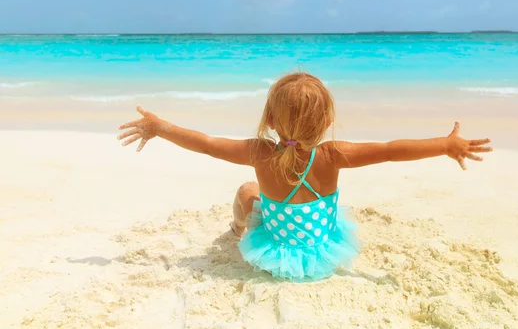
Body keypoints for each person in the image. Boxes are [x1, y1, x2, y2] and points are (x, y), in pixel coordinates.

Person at [117, 72, 492, 282]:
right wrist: (444, 145)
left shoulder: (259, 152)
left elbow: (207, 144)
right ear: (328, 121)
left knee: (248, 190)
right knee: (304, 205)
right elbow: (392, 150)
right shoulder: (334, 154)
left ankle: (236, 229)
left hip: (275, 251)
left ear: (270, 120)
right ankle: (253, 227)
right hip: (321, 251)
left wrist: (160, 127)